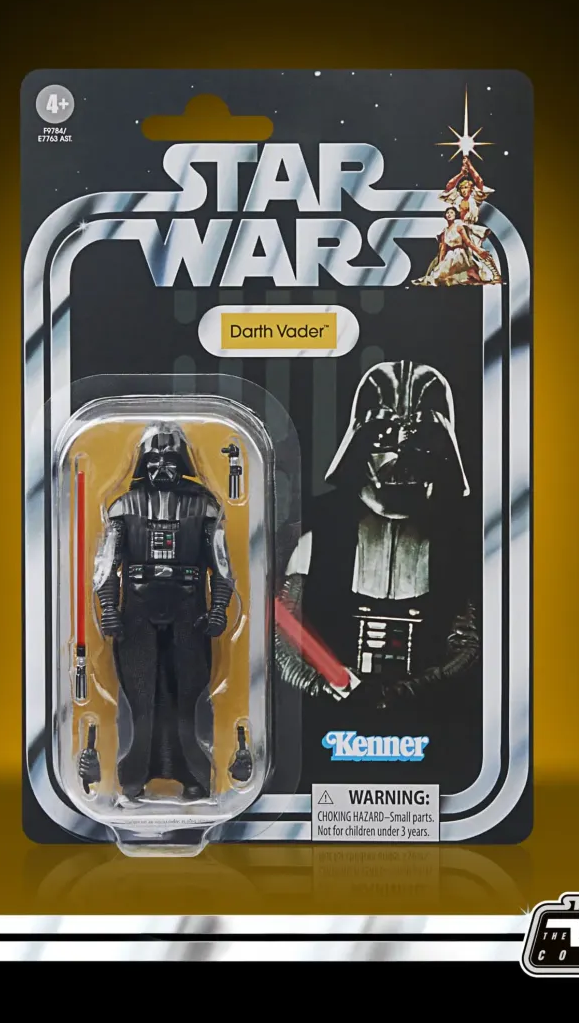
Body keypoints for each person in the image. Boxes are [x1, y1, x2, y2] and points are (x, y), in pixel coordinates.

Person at [276, 361, 479, 716]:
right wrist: (319, 682)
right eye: (384, 434)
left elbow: (469, 640)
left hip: (428, 713)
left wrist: (416, 689)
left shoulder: (459, 538)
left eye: (421, 437)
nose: (402, 451)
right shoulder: (318, 531)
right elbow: (283, 628)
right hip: (332, 709)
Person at [85, 424, 234, 803]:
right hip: (137, 614)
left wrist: (218, 609)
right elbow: (106, 567)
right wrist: (108, 608)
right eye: (153, 460)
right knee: (139, 699)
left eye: (169, 459)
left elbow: (221, 567)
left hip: (190, 614)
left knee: (190, 698)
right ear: (142, 463)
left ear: (182, 462)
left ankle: (195, 777)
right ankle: (133, 778)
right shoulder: (123, 507)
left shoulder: (204, 507)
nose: (161, 468)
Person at [414, 156, 502, 286]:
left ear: (471, 189)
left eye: (467, 187)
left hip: (469, 228)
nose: (465, 190)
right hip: (458, 227)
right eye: (463, 188)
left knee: (477, 251)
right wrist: (461, 174)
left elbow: (479, 180)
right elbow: (449, 186)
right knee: (457, 253)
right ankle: (469, 275)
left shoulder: (474, 198)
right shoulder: (457, 199)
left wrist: (470, 167)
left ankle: (496, 275)